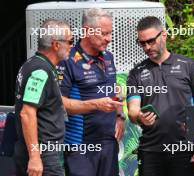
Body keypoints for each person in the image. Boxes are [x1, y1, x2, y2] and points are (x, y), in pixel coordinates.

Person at [126, 16, 194, 176]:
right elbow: (132, 111)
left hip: (184, 150)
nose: (147, 47)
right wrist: (139, 117)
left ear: (163, 35)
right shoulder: (136, 72)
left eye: (151, 41)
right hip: (150, 151)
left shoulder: (188, 65)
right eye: (142, 43)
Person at [57, 8, 124, 176]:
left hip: (109, 143)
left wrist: (120, 116)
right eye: (104, 33)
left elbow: (113, 88)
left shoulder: (108, 57)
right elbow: (60, 103)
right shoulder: (67, 60)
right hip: (81, 145)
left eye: (110, 33)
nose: (109, 39)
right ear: (87, 30)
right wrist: (95, 104)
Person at [14, 19, 73, 176]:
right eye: (70, 41)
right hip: (43, 156)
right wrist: (35, 157)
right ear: (56, 45)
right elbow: (26, 113)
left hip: (41, 154)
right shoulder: (41, 70)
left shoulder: (33, 64)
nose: (72, 46)